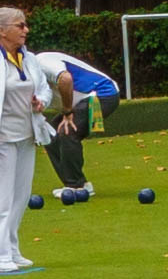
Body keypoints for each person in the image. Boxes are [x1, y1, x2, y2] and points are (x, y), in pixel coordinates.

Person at [0, 7, 53, 273]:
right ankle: (0, 255)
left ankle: (12, 248)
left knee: (21, 195)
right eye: (20, 25)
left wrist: (41, 102)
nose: (26, 30)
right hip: (0, 137)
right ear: (2, 31)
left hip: (26, 134)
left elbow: (44, 88)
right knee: (2, 197)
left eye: (25, 25)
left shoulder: (30, 59)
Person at [33, 51, 120, 198]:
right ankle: (78, 183)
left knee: (67, 131)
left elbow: (65, 79)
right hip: (83, 100)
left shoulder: (42, 62)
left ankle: (76, 186)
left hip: (102, 93)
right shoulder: (29, 83)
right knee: (51, 133)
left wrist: (67, 112)